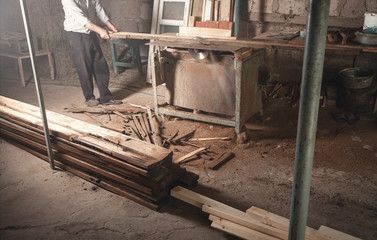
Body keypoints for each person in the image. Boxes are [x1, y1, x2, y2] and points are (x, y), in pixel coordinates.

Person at [61, 0, 122, 106]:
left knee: (101, 66)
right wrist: (101, 30)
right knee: (84, 67)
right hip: (76, 34)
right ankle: (89, 98)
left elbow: (100, 11)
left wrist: (112, 27)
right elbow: (82, 19)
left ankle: (106, 98)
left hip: (90, 32)